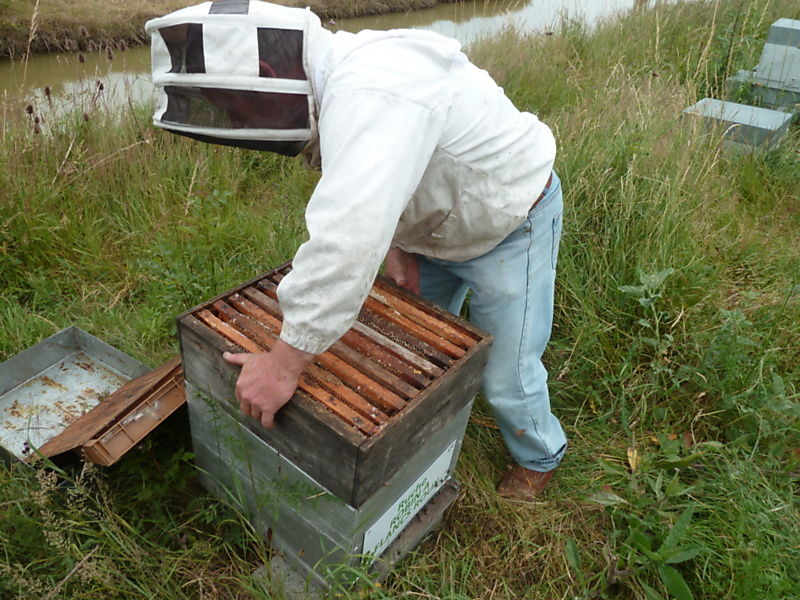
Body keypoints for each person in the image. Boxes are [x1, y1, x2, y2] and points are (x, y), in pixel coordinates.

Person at [146, 0, 567, 499]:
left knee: (506, 373)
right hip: (433, 223)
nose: (238, 120)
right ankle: (430, 432)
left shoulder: (372, 89)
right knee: (417, 347)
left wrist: (282, 366)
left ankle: (540, 455)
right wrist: (400, 244)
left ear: (264, 74)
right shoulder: (346, 86)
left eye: (237, 109)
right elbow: (387, 183)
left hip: (509, 220)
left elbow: (348, 238)